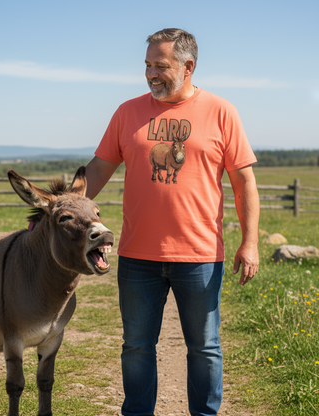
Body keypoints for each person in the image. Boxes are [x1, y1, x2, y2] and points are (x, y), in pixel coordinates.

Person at [85, 28, 260, 416]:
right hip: (137, 255)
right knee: (136, 346)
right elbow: (99, 168)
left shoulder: (221, 111)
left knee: (204, 348)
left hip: (199, 255)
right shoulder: (127, 112)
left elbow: (243, 181)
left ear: (188, 66)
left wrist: (250, 242)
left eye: (160, 66)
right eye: (147, 65)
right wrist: (62, 210)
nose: (150, 73)